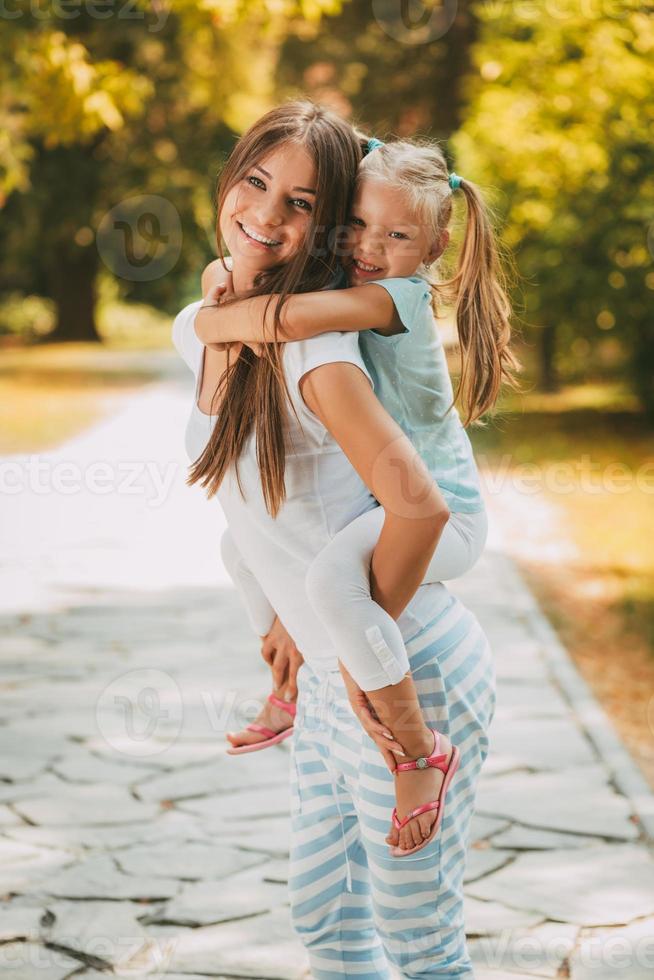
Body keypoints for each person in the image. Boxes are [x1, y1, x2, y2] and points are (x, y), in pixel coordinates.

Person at [172, 99, 498, 976]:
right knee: (328, 926)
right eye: (255, 181)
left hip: (406, 667)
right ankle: (292, 679)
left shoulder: (331, 336)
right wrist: (303, 651)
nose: (268, 215)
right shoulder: (217, 314)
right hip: (331, 675)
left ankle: (418, 756)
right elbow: (252, 512)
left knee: (419, 945)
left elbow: (421, 508)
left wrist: (353, 655)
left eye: (306, 203)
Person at [194, 136, 520, 757]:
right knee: (243, 547)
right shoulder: (354, 276)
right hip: (387, 503)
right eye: (357, 225)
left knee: (335, 583)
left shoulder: (398, 296)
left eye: (397, 236)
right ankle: (288, 682)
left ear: (434, 247)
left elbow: (285, 318)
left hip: (446, 516)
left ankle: (417, 748)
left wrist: (207, 321)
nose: (370, 246)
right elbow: (234, 274)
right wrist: (221, 278)